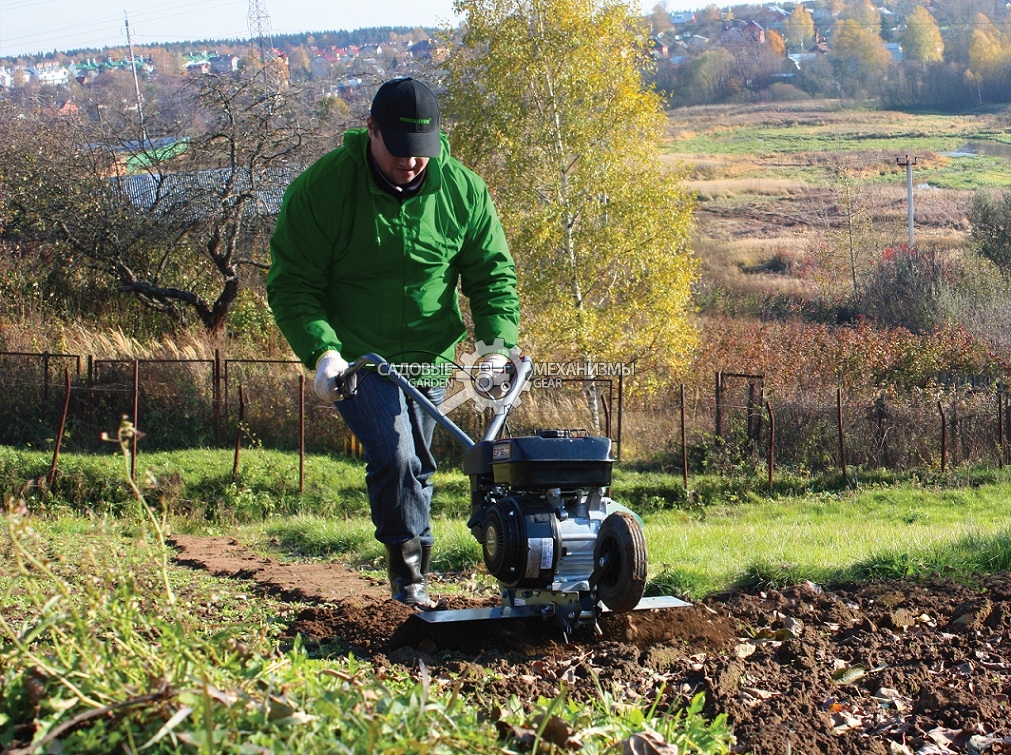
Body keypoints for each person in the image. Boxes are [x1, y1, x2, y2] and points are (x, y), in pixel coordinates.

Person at [266, 77, 520, 608]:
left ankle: (421, 565)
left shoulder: (463, 190)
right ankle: (410, 582)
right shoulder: (325, 189)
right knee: (396, 455)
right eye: (399, 150)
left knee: (420, 463)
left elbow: (492, 276)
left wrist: (497, 347)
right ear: (371, 131)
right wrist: (323, 352)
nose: (411, 163)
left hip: (431, 352)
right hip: (361, 357)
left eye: (421, 152)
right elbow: (294, 285)